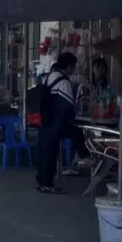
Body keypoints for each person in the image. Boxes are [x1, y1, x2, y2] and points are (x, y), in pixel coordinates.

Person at [36, 52, 78, 193]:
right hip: (55, 122)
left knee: (44, 152)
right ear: (69, 66)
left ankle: (42, 182)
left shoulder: (51, 76)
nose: (74, 70)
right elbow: (69, 104)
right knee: (51, 153)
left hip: (45, 119)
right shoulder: (63, 81)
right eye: (74, 66)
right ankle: (48, 184)